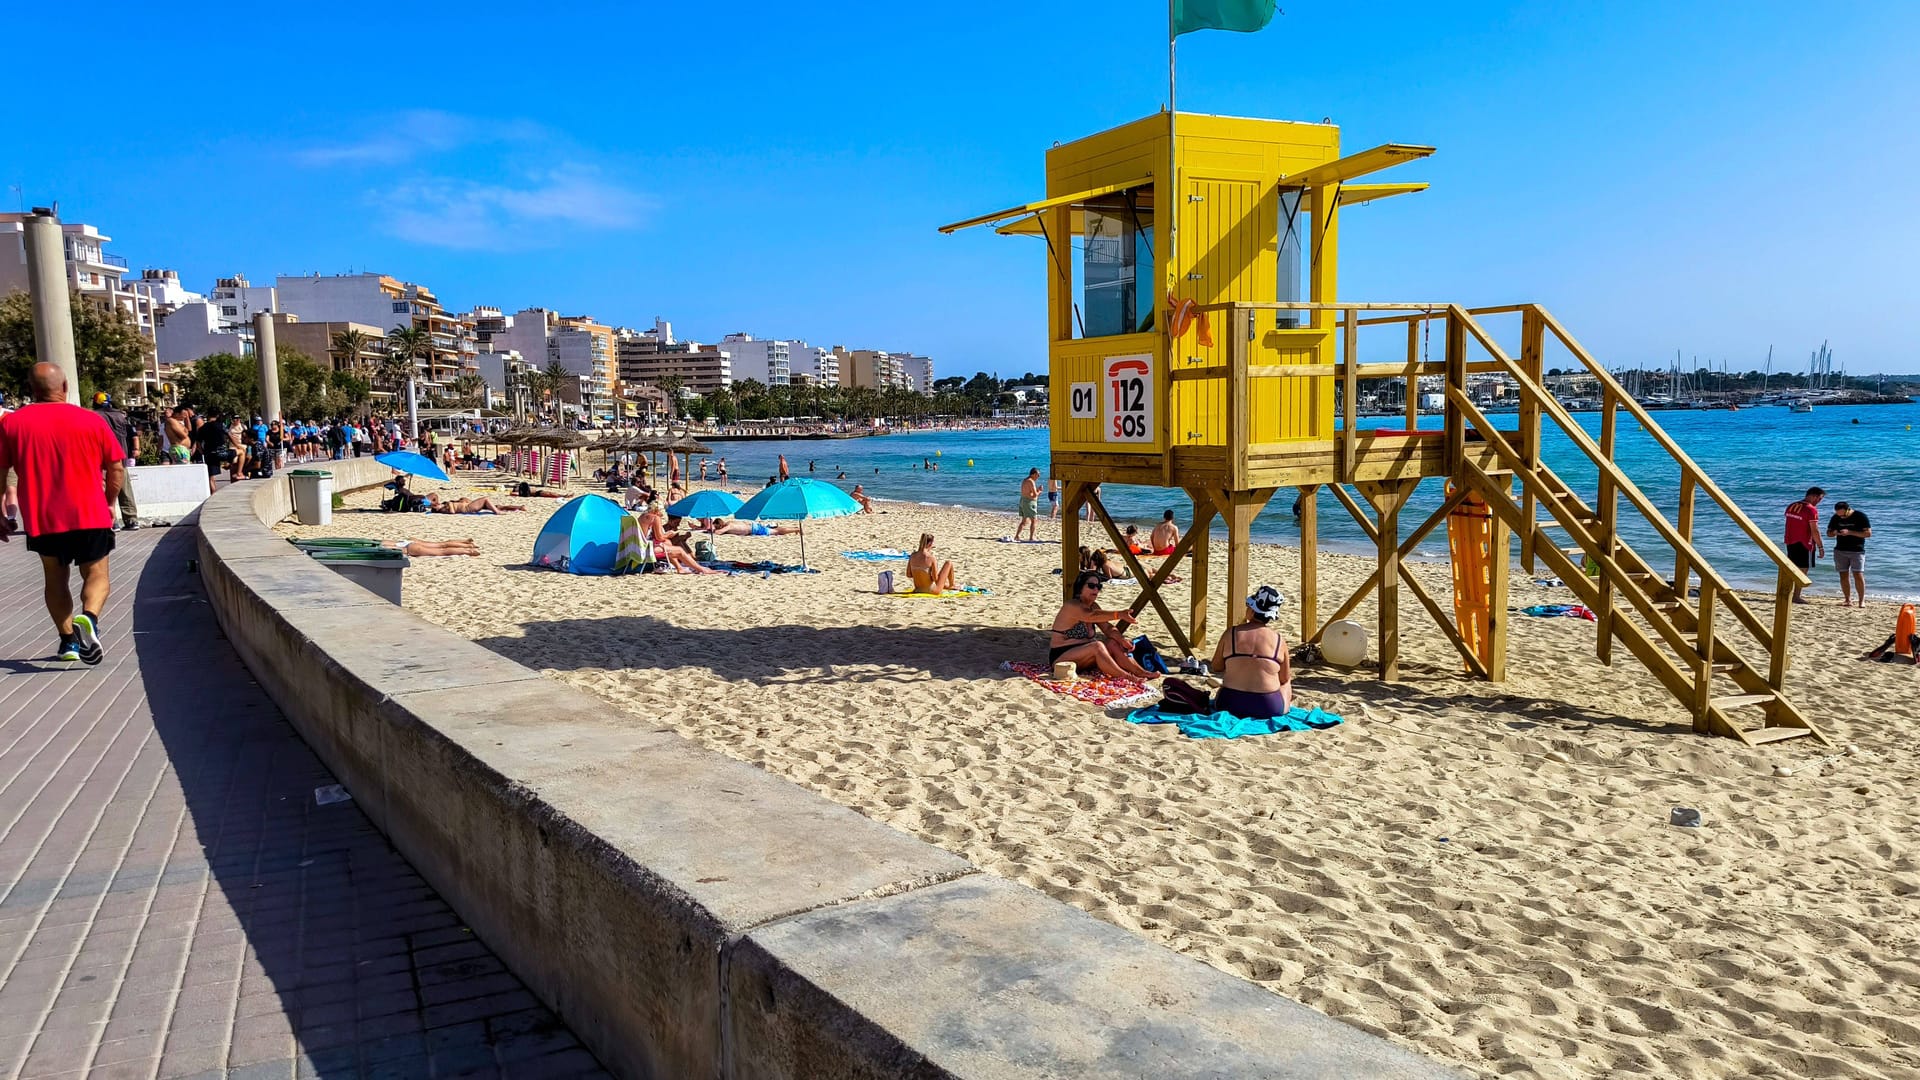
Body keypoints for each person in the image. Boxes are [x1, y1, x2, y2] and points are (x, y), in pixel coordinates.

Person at [0, 362, 127, 665]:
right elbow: (116, 467)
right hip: (89, 513)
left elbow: (1, 471)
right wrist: (110, 500)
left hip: (43, 518)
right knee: (96, 574)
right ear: (66, 387)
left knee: (55, 579)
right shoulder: (92, 420)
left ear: (31, 390)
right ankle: (91, 620)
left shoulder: (11, 424)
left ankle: (68, 642)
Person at [1047, 571, 1154, 679]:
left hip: (1084, 655)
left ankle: (1141, 672)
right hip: (1061, 657)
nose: (1096, 590)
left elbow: (1107, 628)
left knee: (1113, 642)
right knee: (1097, 646)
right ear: (1080, 588)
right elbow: (1091, 616)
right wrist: (1118, 614)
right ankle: (1126, 676)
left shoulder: (1093, 606)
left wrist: (1122, 640)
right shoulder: (1072, 606)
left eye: (1099, 586)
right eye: (1091, 586)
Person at [1208, 586, 1294, 718]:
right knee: (1286, 683)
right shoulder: (1279, 640)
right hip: (1267, 706)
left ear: (1253, 611)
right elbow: (1284, 678)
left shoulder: (1230, 633)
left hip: (1229, 703)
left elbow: (1216, 667)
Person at [91, 393, 140, 530]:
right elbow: (132, 434)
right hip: (121, 458)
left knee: (105, 490)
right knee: (125, 489)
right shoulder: (121, 416)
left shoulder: (94, 416)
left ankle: (112, 521)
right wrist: (135, 449)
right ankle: (131, 520)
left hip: (102, 459)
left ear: (95, 403)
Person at [1826, 501, 1872, 608]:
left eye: (1842, 514)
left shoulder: (1860, 516)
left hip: (1857, 550)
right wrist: (1834, 533)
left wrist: (1850, 532)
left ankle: (1861, 601)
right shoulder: (1835, 517)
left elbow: (1868, 534)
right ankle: (1847, 599)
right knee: (1843, 575)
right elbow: (1828, 533)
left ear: (1848, 509)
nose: (1841, 517)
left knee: (1858, 574)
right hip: (1840, 550)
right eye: (1838, 514)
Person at [1784, 487, 1825, 603]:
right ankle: (1796, 596)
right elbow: (1814, 530)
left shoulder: (1791, 506)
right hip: (1804, 542)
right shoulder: (1811, 510)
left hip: (1790, 540)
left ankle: (1787, 592)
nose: (1819, 502)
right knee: (1803, 569)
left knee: (1792, 568)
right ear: (1813, 496)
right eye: (1819, 498)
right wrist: (1820, 546)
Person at [425, 493, 524, 514]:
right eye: (436, 505)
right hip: (468, 508)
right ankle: (497, 512)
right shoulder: (444, 510)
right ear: (437, 509)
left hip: (469, 505)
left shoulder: (443, 505)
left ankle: (518, 507)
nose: (437, 504)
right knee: (485, 499)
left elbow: (435, 496)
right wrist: (450, 503)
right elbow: (452, 512)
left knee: (498, 506)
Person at [1016, 468, 1042, 540]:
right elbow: (1034, 495)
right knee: (1034, 520)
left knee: (1024, 521)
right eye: (1037, 475)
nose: (1038, 476)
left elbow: (1028, 492)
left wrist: (1037, 491)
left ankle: (1017, 536)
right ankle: (1031, 537)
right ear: (1033, 474)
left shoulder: (1025, 480)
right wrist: (1039, 491)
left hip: (1023, 501)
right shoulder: (1031, 481)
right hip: (1029, 502)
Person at [385, 537, 482, 557]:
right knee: (442, 544)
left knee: (442, 551)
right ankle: (466, 544)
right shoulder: (380, 542)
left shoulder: (380, 545)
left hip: (409, 548)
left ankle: (468, 551)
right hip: (409, 542)